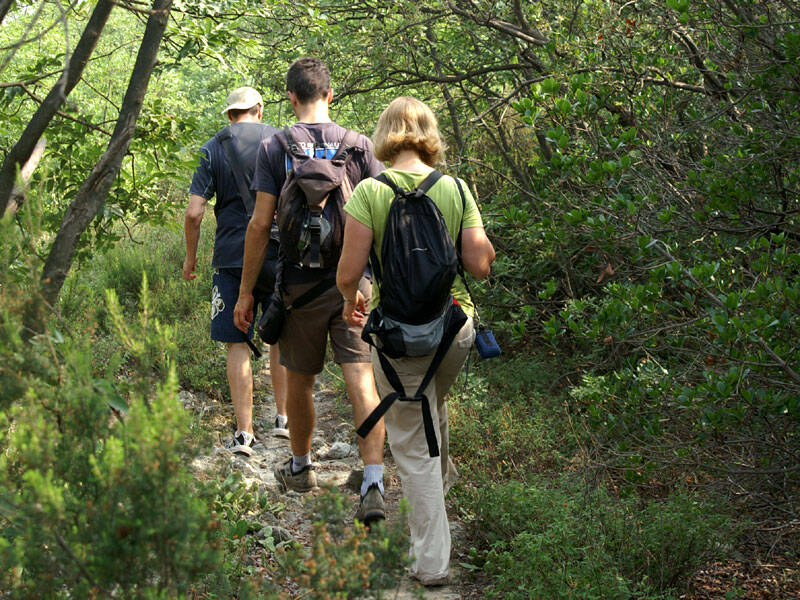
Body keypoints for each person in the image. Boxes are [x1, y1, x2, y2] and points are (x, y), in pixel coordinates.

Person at [336, 97, 495, 585]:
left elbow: (349, 273)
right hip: (452, 334)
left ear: (385, 133)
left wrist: (350, 302)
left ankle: (430, 563)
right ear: (429, 134)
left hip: (400, 342)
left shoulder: (369, 191)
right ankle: (440, 498)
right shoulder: (455, 188)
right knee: (430, 408)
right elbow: (480, 266)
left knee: (410, 441)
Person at [233, 58, 387, 523]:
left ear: (291, 97)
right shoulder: (360, 147)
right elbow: (382, 219)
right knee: (361, 378)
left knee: (300, 380)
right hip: (352, 286)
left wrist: (245, 292)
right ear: (331, 94)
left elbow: (261, 225)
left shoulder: (276, 147)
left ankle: (301, 467)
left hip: (297, 285)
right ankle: (374, 480)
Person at [184, 86, 290, 456]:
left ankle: (244, 433)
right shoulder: (281, 141)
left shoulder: (213, 147)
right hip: (279, 251)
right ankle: (283, 419)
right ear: (259, 111)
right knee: (279, 336)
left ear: (230, 115)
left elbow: (194, 212)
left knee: (236, 340)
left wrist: (191, 259)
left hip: (230, 255)